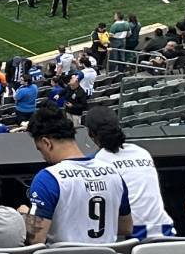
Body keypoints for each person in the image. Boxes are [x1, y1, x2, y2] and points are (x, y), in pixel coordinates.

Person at [25, 104, 128, 245]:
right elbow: (126, 227)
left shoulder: (47, 179)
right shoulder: (114, 173)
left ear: (46, 143)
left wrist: (26, 216)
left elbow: (35, 239)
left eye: (40, 149)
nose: (43, 156)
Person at [84, 101, 177, 240]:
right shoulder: (142, 152)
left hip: (130, 237)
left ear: (91, 134)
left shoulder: (97, 161)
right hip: (166, 233)